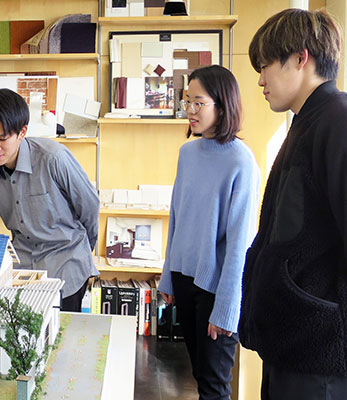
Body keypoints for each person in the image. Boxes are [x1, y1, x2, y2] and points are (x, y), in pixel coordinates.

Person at [239, 9, 347, 399]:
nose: (260, 79)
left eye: (265, 65)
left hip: (318, 355)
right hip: (295, 346)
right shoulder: (308, 121)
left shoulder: (337, 119)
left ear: (301, 58)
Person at [158, 65, 260, 400]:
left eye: (198, 103)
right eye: (187, 102)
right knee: (200, 375)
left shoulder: (241, 162)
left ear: (222, 105)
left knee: (215, 386)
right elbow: (177, 218)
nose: (190, 111)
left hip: (217, 290)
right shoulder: (187, 153)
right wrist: (168, 278)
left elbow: (239, 246)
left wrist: (227, 309)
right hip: (185, 281)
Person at [0, 88, 99, 311]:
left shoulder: (53, 158)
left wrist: (83, 250)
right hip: (22, 267)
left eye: (3, 138)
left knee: (60, 340)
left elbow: (89, 205)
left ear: (22, 132)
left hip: (65, 264)